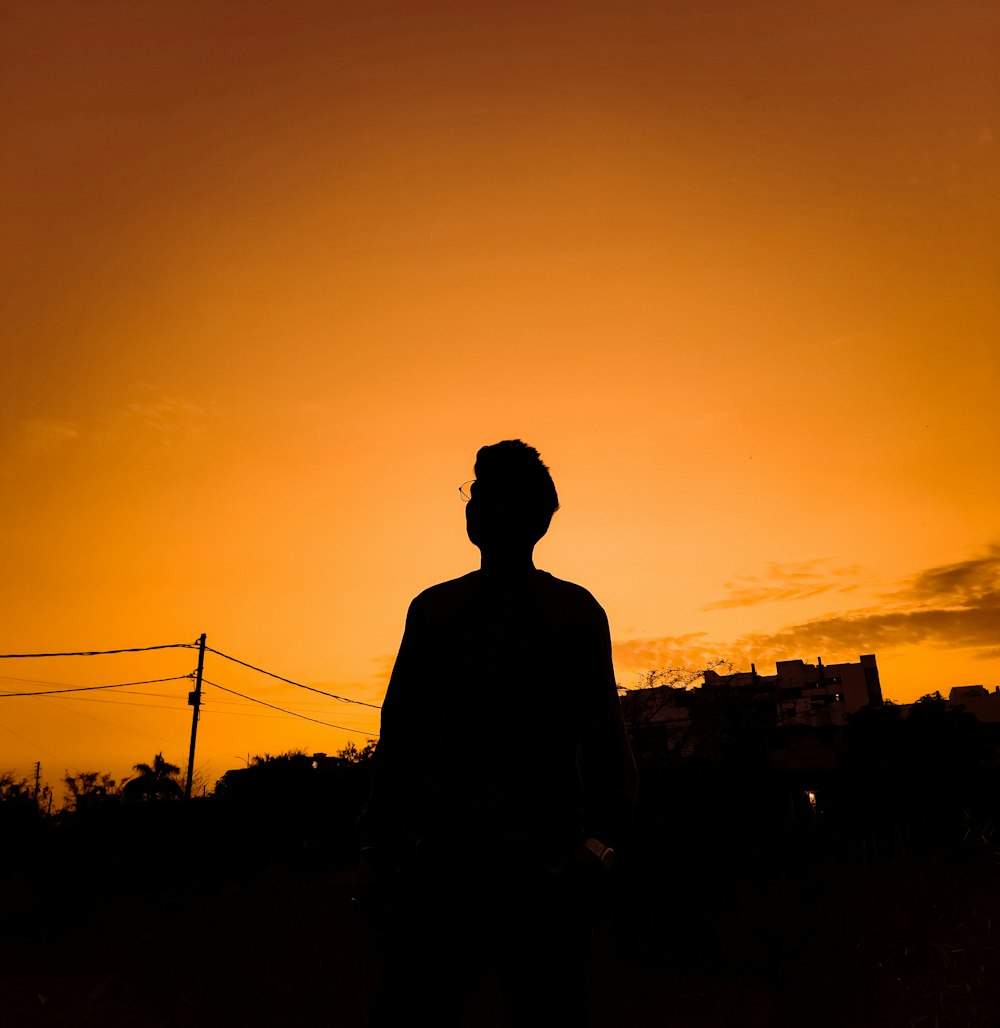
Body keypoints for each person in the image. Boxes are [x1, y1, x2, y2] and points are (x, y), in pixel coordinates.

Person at [359, 439, 637, 1026]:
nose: (471, 503)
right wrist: (385, 854)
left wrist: (597, 851)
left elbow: (608, 749)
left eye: (482, 492)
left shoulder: (461, 611)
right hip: (461, 871)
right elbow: (401, 743)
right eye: (473, 490)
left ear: (522, 513)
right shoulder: (455, 610)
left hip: (526, 874)